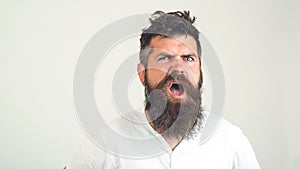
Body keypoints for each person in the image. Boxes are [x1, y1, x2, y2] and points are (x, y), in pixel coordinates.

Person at [69, 10, 261, 169]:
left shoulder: (231, 141)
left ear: (200, 72)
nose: (178, 68)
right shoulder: (107, 143)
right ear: (143, 74)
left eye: (188, 58)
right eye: (164, 58)